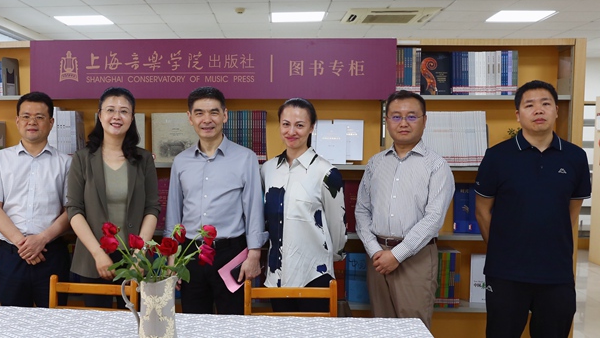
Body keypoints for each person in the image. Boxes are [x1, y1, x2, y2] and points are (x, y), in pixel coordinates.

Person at [475, 80, 591, 338]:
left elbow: (571, 213)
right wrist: (503, 250)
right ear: (518, 115)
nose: (538, 110)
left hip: (556, 273)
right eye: (529, 105)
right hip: (506, 273)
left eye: (545, 103)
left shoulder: (575, 157)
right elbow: (482, 211)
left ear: (556, 111)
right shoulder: (497, 157)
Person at [354, 90, 454, 329]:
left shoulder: (437, 166)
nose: (403, 123)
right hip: (378, 258)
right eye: (396, 117)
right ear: (387, 121)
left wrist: (397, 255)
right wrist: (375, 251)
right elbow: (361, 211)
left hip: (416, 259)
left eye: (411, 116)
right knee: (381, 327)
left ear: (424, 120)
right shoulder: (375, 163)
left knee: (412, 329)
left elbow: (433, 219)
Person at [165, 86, 267, 315]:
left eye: (213, 112)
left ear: (225, 115)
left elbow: (254, 210)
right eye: (199, 113)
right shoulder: (181, 161)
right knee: (193, 321)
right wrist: (172, 259)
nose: (207, 120)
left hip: (231, 254)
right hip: (190, 254)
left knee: (233, 323)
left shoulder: (245, 158)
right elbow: (174, 213)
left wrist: (254, 254)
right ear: (190, 118)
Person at [67, 87, 160, 308]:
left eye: (124, 111)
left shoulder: (144, 159)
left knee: (136, 321)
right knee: (98, 323)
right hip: (93, 258)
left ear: (132, 118)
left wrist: (139, 254)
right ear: (100, 115)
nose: (117, 116)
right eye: (110, 110)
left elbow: (152, 208)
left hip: (135, 258)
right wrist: (98, 254)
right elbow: (74, 209)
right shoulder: (82, 158)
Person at [0, 91, 72, 307]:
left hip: (51, 254)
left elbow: (71, 211)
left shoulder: (66, 163)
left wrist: (41, 240)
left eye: (39, 117)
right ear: (17, 121)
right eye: (26, 116)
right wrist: (24, 244)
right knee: (12, 321)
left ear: (51, 122)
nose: (32, 122)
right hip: (12, 255)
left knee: (54, 320)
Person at [261, 98, 347, 312]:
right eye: (286, 124)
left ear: (311, 128)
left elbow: (337, 229)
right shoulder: (267, 170)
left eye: (299, 125)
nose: (291, 131)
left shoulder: (326, 173)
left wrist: (329, 257)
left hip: (314, 275)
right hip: (277, 277)